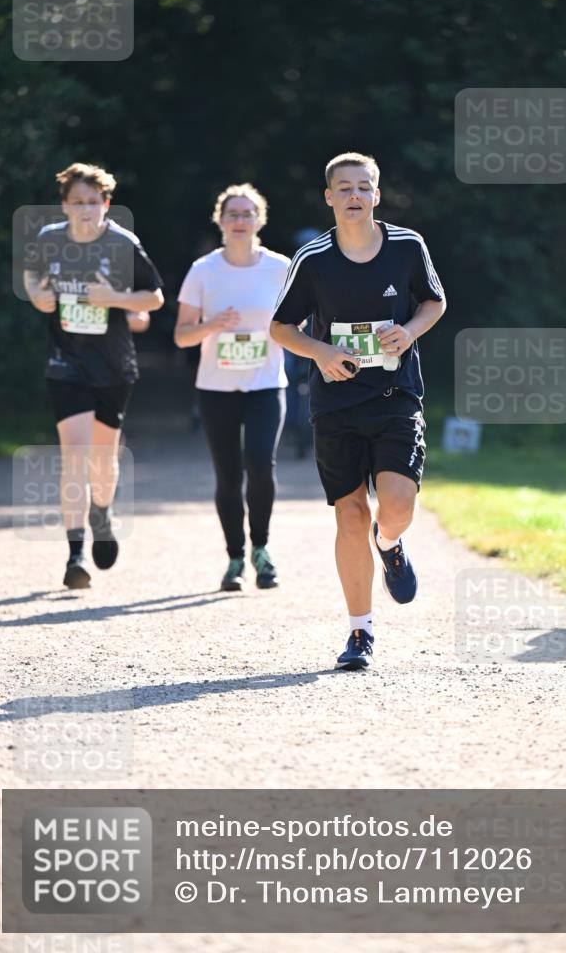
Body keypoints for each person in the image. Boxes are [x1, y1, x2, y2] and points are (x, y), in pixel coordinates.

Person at [271, 152, 447, 670]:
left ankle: (389, 542)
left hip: (396, 396)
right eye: (343, 188)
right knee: (349, 513)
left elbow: (434, 302)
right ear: (329, 197)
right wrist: (322, 353)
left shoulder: (407, 246)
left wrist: (409, 332)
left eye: (363, 187)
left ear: (376, 194)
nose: (354, 195)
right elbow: (280, 328)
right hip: (337, 402)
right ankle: (359, 633)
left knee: (395, 506)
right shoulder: (313, 259)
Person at [24, 162, 165, 589]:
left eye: (94, 203)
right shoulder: (49, 241)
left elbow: (155, 298)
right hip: (66, 362)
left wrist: (114, 297)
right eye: (77, 203)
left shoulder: (123, 243)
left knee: (102, 460)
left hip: (114, 365)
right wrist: (37, 294)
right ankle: (75, 554)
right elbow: (33, 275)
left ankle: (102, 513)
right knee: (75, 454)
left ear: (106, 204)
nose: (86, 211)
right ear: (64, 206)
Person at [174, 183, 289, 591]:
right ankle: (235, 558)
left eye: (247, 213)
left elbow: (305, 322)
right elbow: (182, 336)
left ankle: (262, 548)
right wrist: (212, 325)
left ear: (260, 220)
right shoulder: (204, 270)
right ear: (220, 221)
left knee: (260, 464)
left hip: (265, 384)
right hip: (216, 389)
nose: (240, 221)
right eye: (232, 214)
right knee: (227, 476)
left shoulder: (280, 267)